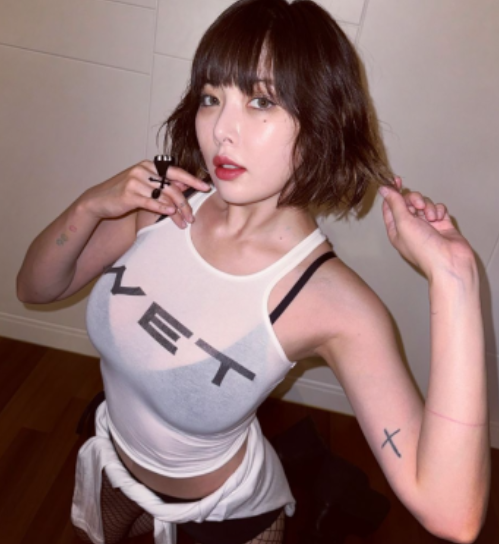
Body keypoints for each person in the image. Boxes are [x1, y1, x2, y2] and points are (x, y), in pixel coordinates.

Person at [17, 0, 490, 543]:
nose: (221, 129)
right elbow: (35, 288)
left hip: (226, 521)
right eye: (211, 97)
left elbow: (452, 514)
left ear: (322, 121)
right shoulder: (163, 204)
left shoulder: (331, 304)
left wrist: (455, 276)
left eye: (261, 101)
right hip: (113, 468)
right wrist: (89, 206)